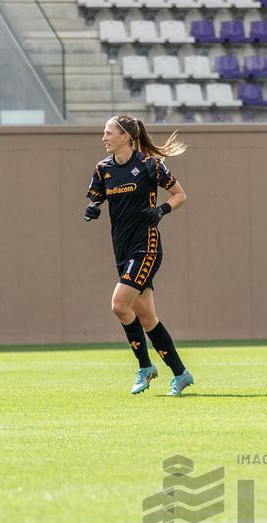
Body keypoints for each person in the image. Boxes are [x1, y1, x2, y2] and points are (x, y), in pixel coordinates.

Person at [84, 115, 194, 396]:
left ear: (125, 137)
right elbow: (96, 198)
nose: (104, 137)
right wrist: (93, 209)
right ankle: (181, 374)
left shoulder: (149, 165)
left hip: (146, 247)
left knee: (119, 305)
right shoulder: (103, 169)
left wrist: (162, 210)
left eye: (108, 133)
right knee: (147, 317)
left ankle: (145, 367)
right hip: (121, 250)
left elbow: (180, 195)